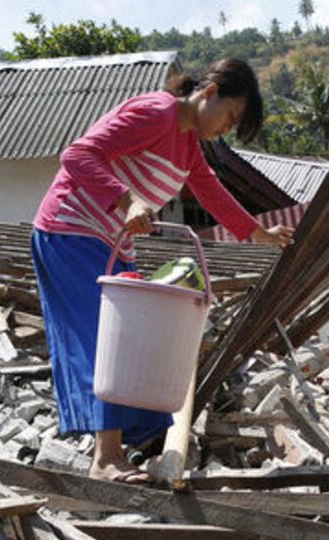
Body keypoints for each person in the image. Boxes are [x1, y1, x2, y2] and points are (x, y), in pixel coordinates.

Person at [31, 58, 293, 483]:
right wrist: (127, 200)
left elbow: (212, 193)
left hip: (111, 241)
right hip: (70, 231)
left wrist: (257, 233)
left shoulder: (189, 144)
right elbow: (77, 154)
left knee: (130, 341)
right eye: (229, 117)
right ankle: (106, 460)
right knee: (104, 341)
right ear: (208, 93)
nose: (226, 128)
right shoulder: (157, 113)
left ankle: (132, 442)